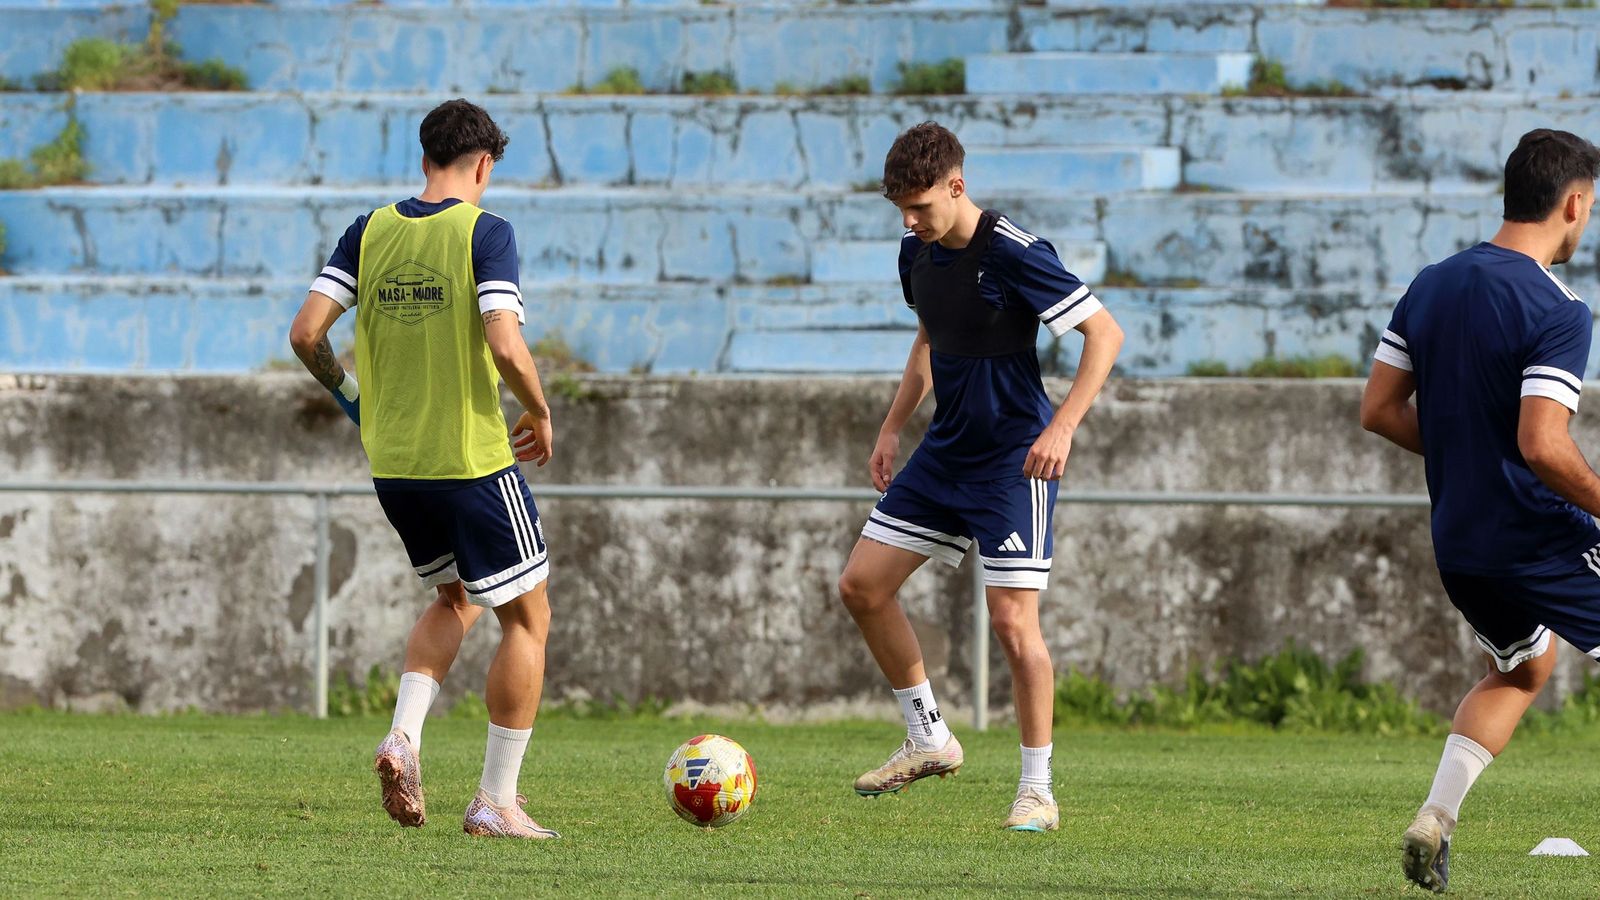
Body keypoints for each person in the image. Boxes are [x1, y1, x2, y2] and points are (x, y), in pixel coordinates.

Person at [837, 121, 1124, 832]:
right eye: (900, 209)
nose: (909, 221)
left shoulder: (1014, 251)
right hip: (945, 454)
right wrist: (893, 427)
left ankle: (1037, 791)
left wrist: (1063, 427)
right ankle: (928, 737)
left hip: (1012, 461)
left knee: (1012, 624)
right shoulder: (916, 251)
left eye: (919, 206)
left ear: (956, 186)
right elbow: (928, 338)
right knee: (862, 586)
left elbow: (1105, 333)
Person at [287, 98, 560, 840]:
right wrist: (539, 409)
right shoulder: (486, 232)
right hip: (470, 461)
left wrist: (352, 399)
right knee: (528, 619)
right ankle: (496, 801)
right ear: (484, 165)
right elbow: (504, 342)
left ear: (424, 159)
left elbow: (306, 333)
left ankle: (403, 737)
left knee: (455, 598)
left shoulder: (368, 230)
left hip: (395, 466)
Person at [1360, 128, 1600, 892]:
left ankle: (1436, 816)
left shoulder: (1432, 283)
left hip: (1461, 542)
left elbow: (1378, 409)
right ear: (1573, 203)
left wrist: (1463, 453)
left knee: (1526, 668)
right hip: (1535, 535)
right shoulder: (1559, 308)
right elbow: (1543, 445)